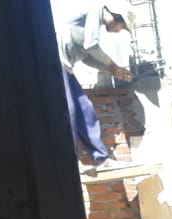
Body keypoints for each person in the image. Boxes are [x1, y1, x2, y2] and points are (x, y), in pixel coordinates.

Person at [53, 2, 135, 170]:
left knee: (85, 109)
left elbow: (86, 56)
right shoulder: (94, 10)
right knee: (69, 112)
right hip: (56, 65)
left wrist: (112, 69)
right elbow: (91, 45)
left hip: (66, 68)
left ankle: (101, 158)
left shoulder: (92, 24)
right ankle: (68, 164)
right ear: (116, 15)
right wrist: (112, 65)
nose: (118, 31)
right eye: (121, 27)